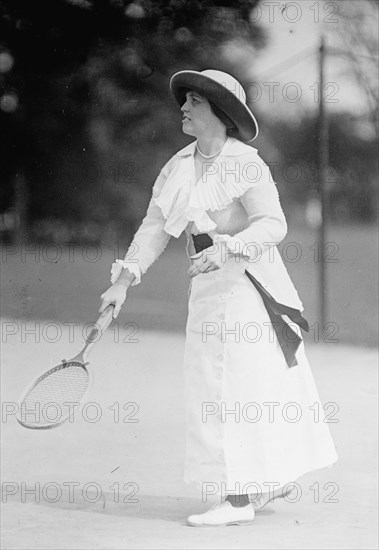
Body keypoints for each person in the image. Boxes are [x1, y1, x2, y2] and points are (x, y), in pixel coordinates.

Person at [100, 69, 338, 527]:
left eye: (194, 101)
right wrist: (123, 281)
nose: (183, 108)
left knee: (237, 387)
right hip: (207, 290)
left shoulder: (246, 163)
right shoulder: (176, 166)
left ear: (219, 111)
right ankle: (261, 482)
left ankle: (237, 499)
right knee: (215, 386)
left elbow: (273, 224)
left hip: (250, 288)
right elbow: (153, 228)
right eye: (184, 100)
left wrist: (228, 247)